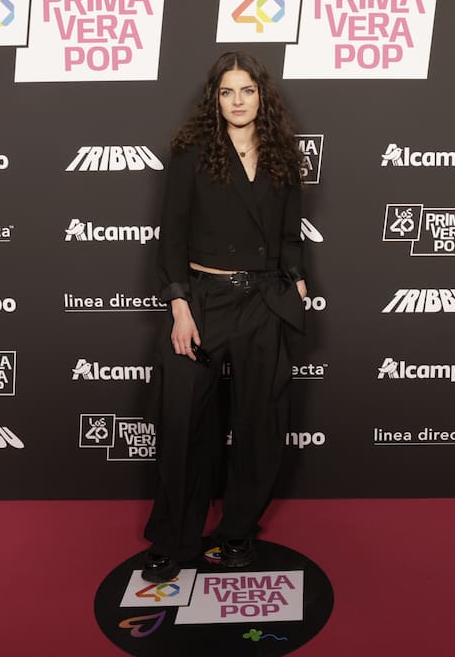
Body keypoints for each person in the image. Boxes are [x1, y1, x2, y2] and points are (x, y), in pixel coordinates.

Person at [140, 51, 308, 583]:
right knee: (183, 422)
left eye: (248, 91)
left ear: (263, 96)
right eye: (227, 92)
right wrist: (179, 306)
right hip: (204, 301)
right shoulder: (192, 152)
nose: (238, 101)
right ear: (215, 99)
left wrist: (295, 279)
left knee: (261, 425)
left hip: (263, 302)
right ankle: (175, 538)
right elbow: (172, 234)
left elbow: (288, 232)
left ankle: (237, 532)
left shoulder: (283, 153)